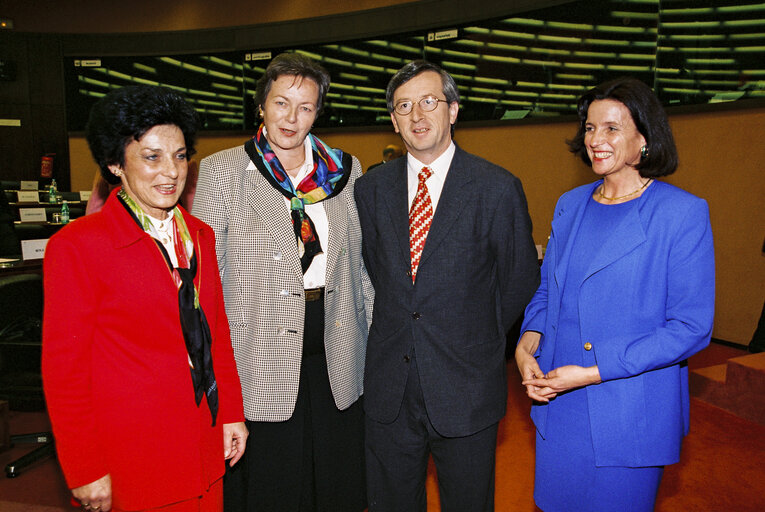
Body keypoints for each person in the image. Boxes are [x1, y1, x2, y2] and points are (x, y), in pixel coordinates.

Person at [42, 85, 248, 512]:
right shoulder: (78, 246)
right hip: (135, 454)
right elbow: (65, 373)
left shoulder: (201, 236)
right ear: (116, 163)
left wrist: (231, 411)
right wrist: (84, 467)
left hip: (203, 441)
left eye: (178, 155)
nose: (170, 172)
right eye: (151, 156)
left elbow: (217, 335)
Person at [515, 77, 715, 511]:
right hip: (558, 406)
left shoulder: (681, 213)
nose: (595, 140)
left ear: (644, 138)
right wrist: (526, 344)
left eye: (611, 128)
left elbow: (692, 328)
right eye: (589, 128)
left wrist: (591, 372)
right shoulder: (570, 204)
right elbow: (548, 290)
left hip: (630, 412)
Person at [354, 60, 539, 511]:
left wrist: (475, 336)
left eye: (429, 102)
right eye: (404, 106)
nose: (417, 115)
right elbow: (374, 270)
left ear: (452, 110)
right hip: (389, 387)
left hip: (466, 386)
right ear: (394, 120)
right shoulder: (369, 189)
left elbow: (520, 279)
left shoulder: (496, 188)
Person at [192, 53, 373, 511]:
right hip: (258, 353)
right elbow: (204, 276)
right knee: (273, 486)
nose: (292, 118)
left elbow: (362, 270)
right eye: (281, 103)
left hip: (337, 347)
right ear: (261, 106)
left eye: (306, 107)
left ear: (318, 112)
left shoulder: (347, 172)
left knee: (337, 482)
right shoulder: (222, 171)